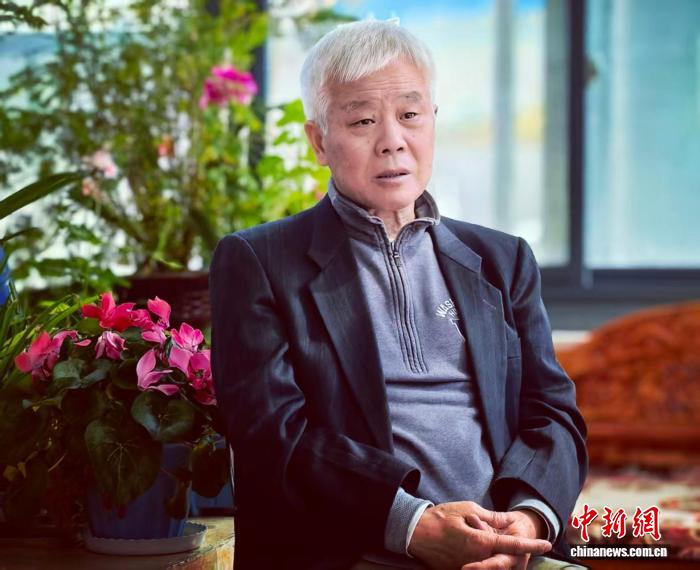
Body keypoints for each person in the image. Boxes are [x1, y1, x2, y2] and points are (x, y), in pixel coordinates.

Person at [210, 19, 588, 570]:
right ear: (318, 141)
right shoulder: (260, 262)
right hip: (359, 551)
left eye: (410, 115)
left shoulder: (502, 260)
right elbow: (272, 435)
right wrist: (414, 526)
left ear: (432, 121)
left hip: (509, 550)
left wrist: (526, 521)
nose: (392, 139)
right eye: (362, 120)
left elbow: (554, 414)